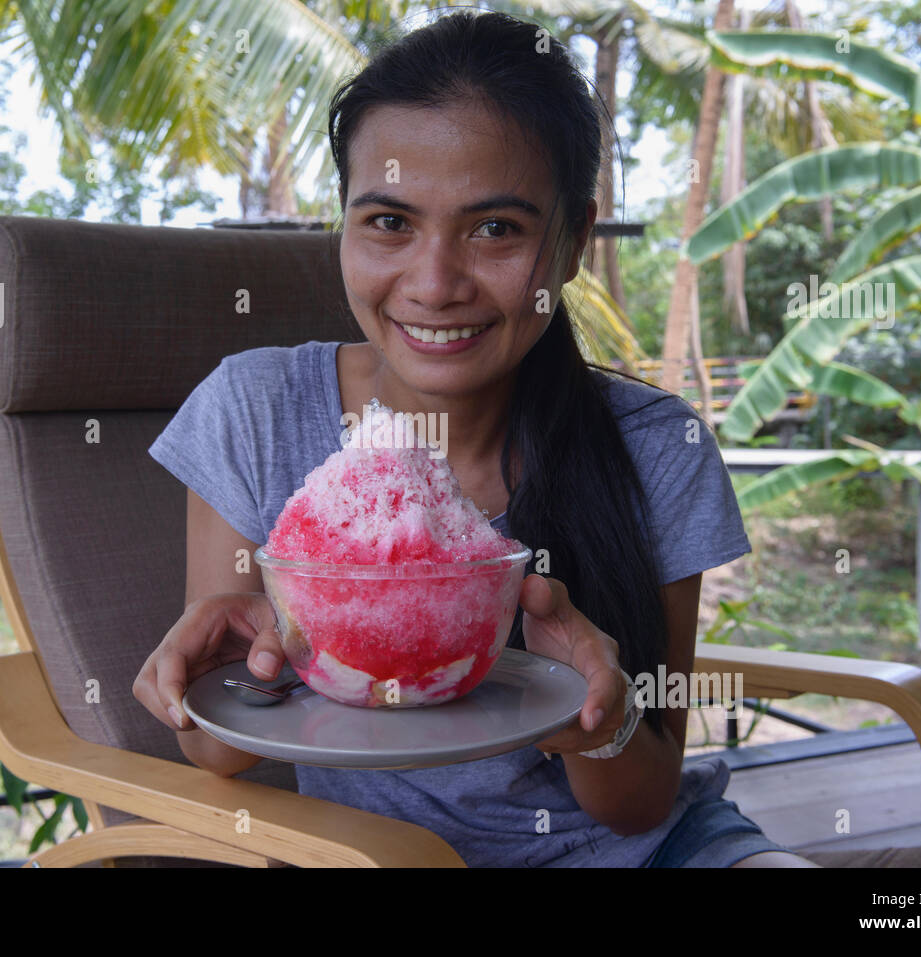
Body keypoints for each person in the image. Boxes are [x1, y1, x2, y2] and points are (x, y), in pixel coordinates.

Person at [134, 9, 818, 867]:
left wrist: (594, 719)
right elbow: (219, 749)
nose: (434, 284)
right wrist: (228, 674)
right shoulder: (255, 410)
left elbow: (643, 803)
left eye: (496, 228)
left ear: (571, 241)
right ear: (342, 224)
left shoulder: (655, 447)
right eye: (389, 222)